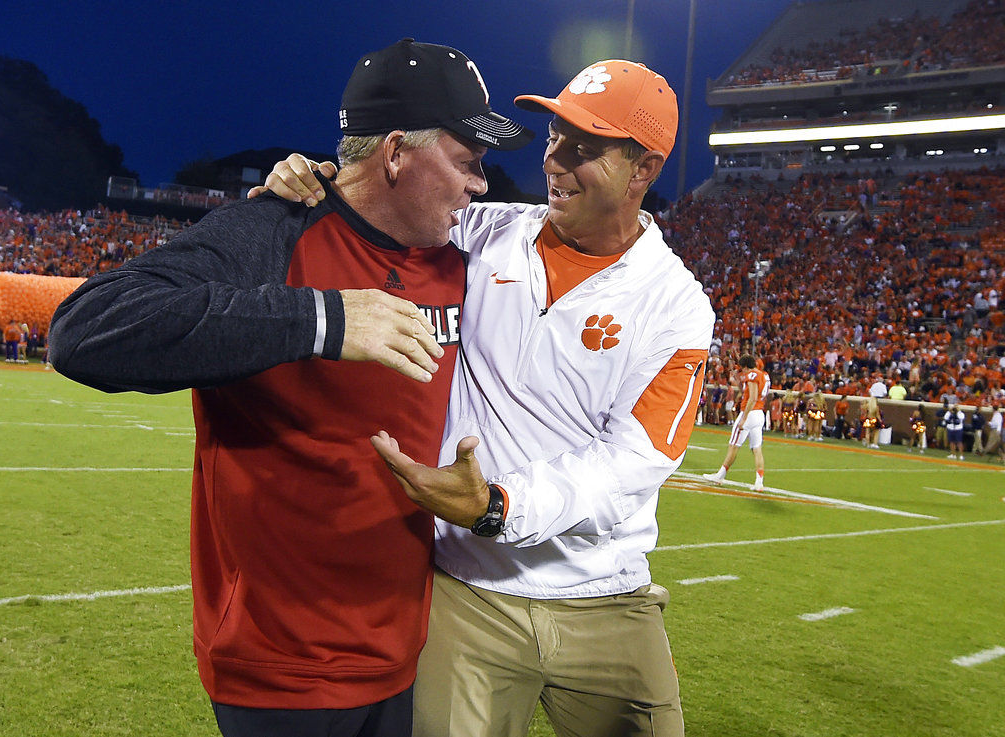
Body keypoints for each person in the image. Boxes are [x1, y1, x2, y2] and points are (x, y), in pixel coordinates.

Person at [48, 38, 532, 737]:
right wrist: (323, 316)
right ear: (395, 153)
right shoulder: (271, 230)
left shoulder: (464, 259)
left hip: (406, 653)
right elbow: (85, 329)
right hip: (279, 668)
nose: (481, 184)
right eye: (467, 161)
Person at [261, 58, 712, 737]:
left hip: (605, 597)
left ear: (644, 170)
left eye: (585, 148)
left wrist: (501, 507)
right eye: (556, 137)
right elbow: (383, 211)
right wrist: (315, 182)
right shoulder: (482, 231)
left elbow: (635, 461)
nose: (555, 160)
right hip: (465, 591)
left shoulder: (677, 306)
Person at [704, 354, 770, 490]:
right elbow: (748, 392)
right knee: (757, 449)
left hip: (749, 413)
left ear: (746, 367)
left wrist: (744, 417)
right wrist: (738, 381)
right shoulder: (764, 375)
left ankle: (720, 475)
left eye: (742, 369)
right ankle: (759, 482)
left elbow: (751, 398)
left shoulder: (752, 375)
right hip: (759, 414)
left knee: (734, 445)